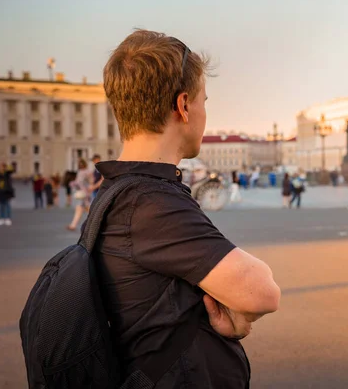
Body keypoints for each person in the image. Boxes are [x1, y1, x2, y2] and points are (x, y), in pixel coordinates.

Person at [90, 30, 280, 387]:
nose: (205, 112)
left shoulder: (121, 189)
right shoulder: (150, 202)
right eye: (204, 101)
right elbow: (262, 291)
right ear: (183, 106)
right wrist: (233, 307)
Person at [66, 159, 93, 231]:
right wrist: (74, 183)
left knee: (89, 210)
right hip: (82, 193)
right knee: (80, 209)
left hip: (84, 193)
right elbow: (79, 182)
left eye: (81, 164)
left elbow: (90, 181)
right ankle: (73, 225)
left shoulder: (87, 172)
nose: (80, 165)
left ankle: (97, 223)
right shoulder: (82, 172)